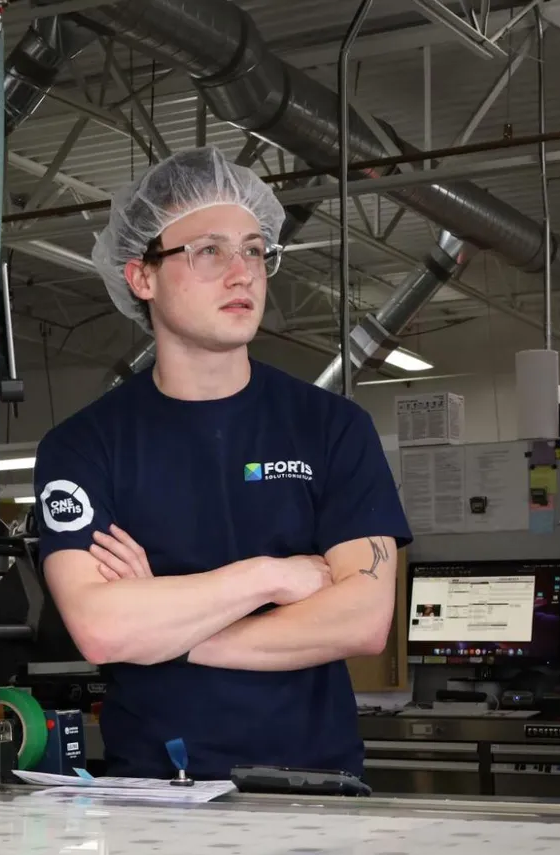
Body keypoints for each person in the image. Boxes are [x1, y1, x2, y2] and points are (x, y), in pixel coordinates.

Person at [31, 145, 413, 781]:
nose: (243, 273)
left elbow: (364, 619)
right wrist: (268, 577)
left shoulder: (332, 427)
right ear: (142, 277)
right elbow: (101, 629)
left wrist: (170, 631)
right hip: (155, 796)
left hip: (314, 795)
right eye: (208, 250)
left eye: (256, 250)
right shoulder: (83, 446)